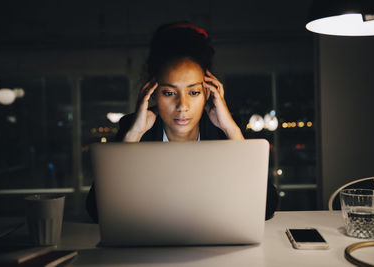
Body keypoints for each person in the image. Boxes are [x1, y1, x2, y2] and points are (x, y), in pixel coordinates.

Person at [86, 22, 278, 223]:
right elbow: (97, 211)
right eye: (169, 93)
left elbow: (267, 207)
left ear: (208, 92)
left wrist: (231, 130)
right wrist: (134, 135)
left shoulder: (226, 130)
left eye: (193, 92)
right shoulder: (133, 129)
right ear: (151, 93)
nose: (182, 105)